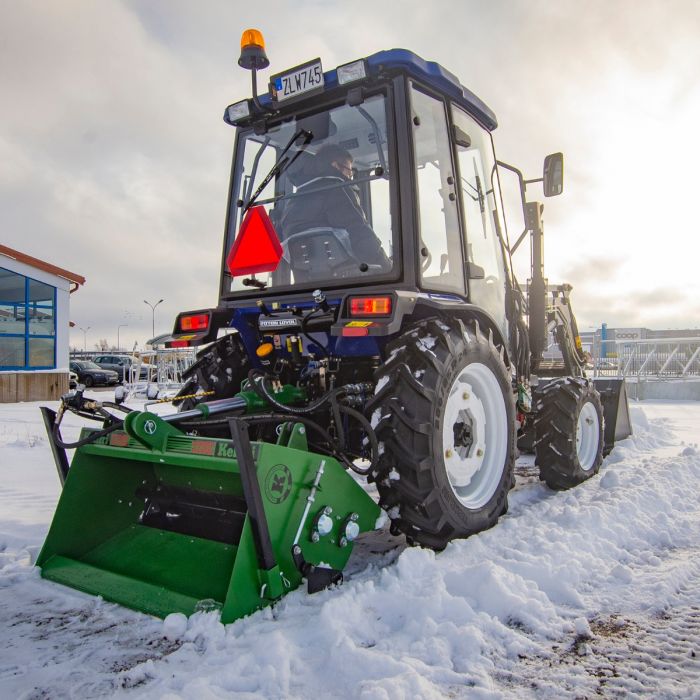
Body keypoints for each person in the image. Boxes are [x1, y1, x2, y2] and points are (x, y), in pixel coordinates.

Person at [282, 144, 390, 270]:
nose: (350, 177)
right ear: (335, 166)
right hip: (345, 277)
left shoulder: (294, 200)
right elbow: (360, 233)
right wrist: (387, 266)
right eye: (349, 171)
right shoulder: (336, 188)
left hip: (308, 279)